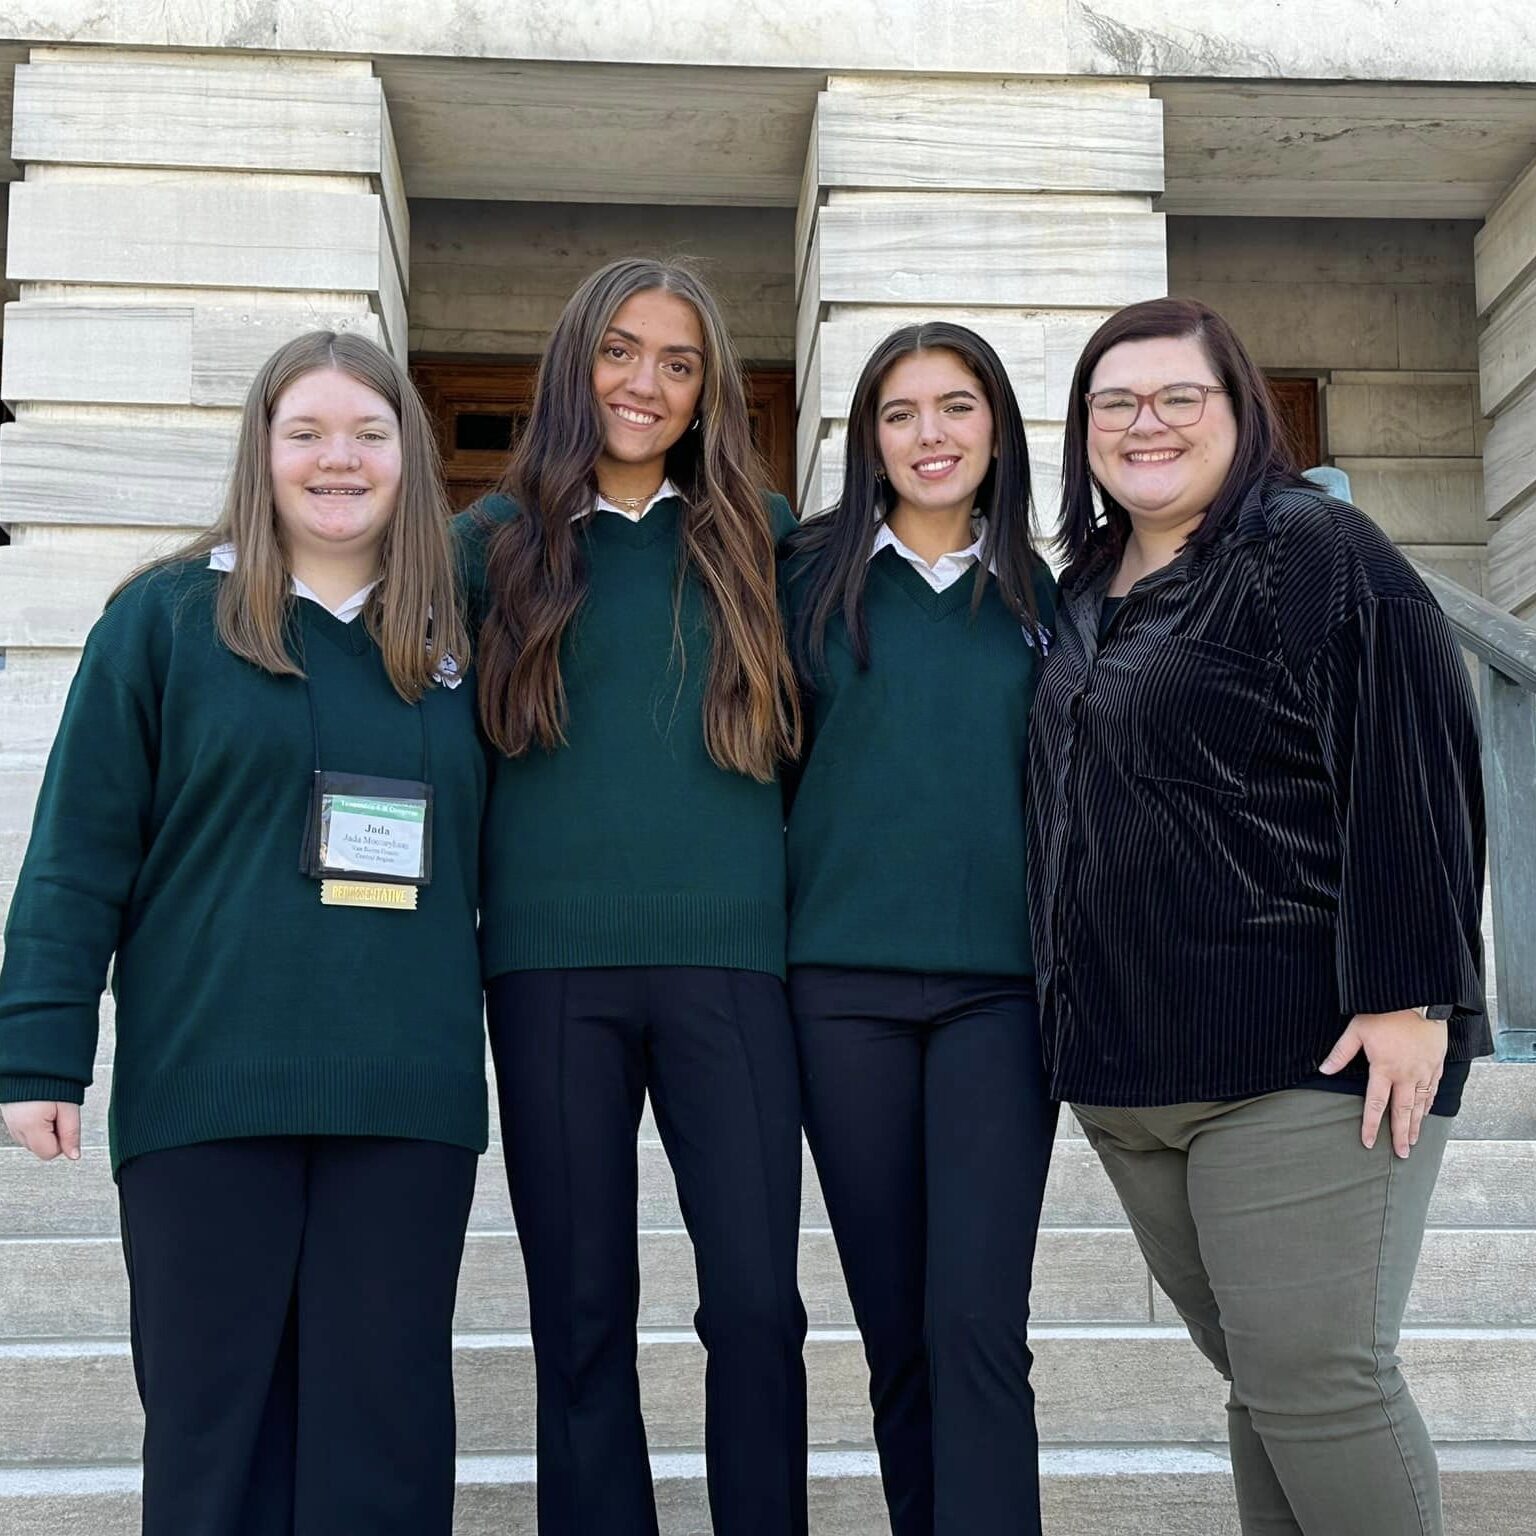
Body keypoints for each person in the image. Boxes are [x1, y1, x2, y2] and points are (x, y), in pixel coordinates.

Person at [0, 331, 487, 1535]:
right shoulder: (164, 623)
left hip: (402, 1102)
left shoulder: (463, 643)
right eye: (307, 432)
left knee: (385, 1440)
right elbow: (76, 850)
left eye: (370, 433)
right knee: (216, 1435)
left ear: (409, 458)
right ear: (261, 453)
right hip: (209, 1094)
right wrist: (36, 1050)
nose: (339, 459)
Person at [1029, 296, 1488, 1536]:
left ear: (1243, 413)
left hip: (1304, 1056)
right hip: (1129, 1070)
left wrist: (1409, 995)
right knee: (1267, 1387)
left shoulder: (1311, 550)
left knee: (1320, 1381)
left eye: (1182, 395)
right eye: (1115, 402)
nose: (1147, 422)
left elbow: (1413, 760)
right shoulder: (1077, 593)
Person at [455, 257, 807, 1536]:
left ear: (710, 389)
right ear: (573, 366)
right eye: (618, 351)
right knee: (582, 1307)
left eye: (677, 361)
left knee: (759, 1305)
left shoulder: (767, 538)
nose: (643, 384)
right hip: (548, 973)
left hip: (733, 969)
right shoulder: (489, 546)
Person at [781, 322, 1058, 1535]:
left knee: (978, 1323)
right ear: (868, 439)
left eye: (956, 408)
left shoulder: (1054, 596)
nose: (929, 436)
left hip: (1003, 996)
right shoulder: (805, 579)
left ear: (997, 426)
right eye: (901, 413)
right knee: (897, 1327)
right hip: (840, 990)